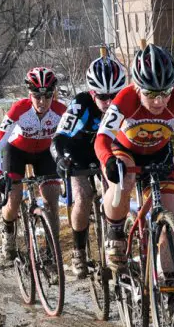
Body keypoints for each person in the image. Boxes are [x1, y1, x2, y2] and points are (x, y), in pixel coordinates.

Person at [95, 44, 174, 270]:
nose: (160, 101)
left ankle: (171, 291)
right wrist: (108, 160)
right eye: (151, 94)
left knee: (170, 215)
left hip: (160, 156)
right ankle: (115, 234)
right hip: (124, 151)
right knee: (125, 177)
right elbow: (101, 140)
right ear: (137, 88)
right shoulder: (125, 99)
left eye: (166, 92)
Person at [51, 56, 126, 278]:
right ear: (92, 93)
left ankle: (116, 242)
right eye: (103, 96)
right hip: (78, 153)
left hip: (108, 152)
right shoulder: (80, 104)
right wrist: (60, 159)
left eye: (115, 95)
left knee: (116, 192)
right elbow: (59, 137)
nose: (110, 102)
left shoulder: (127, 102)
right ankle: (78, 249)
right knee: (83, 196)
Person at [0, 67, 66, 262]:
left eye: (47, 96)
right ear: (29, 94)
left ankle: (52, 252)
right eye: (37, 96)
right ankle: (8, 232)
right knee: (14, 198)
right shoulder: (18, 110)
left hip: (44, 153)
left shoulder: (61, 111)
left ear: (53, 94)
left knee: (52, 201)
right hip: (16, 152)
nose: (42, 102)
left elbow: (69, 142)